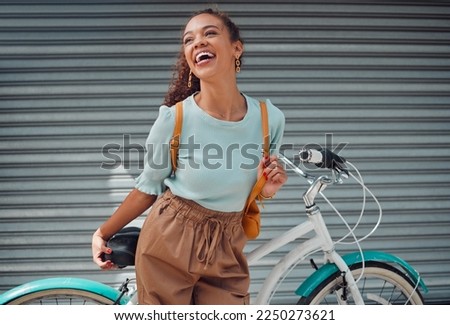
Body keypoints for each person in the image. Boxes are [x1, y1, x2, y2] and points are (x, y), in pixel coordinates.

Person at [92, 7, 287, 305]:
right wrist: (103, 232)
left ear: (237, 48)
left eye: (210, 33)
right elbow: (148, 187)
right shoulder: (175, 119)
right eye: (188, 40)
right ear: (189, 60)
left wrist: (268, 189)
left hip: (228, 245)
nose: (198, 43)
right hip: (170, 240)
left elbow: (245, 188)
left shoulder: (269, 118)